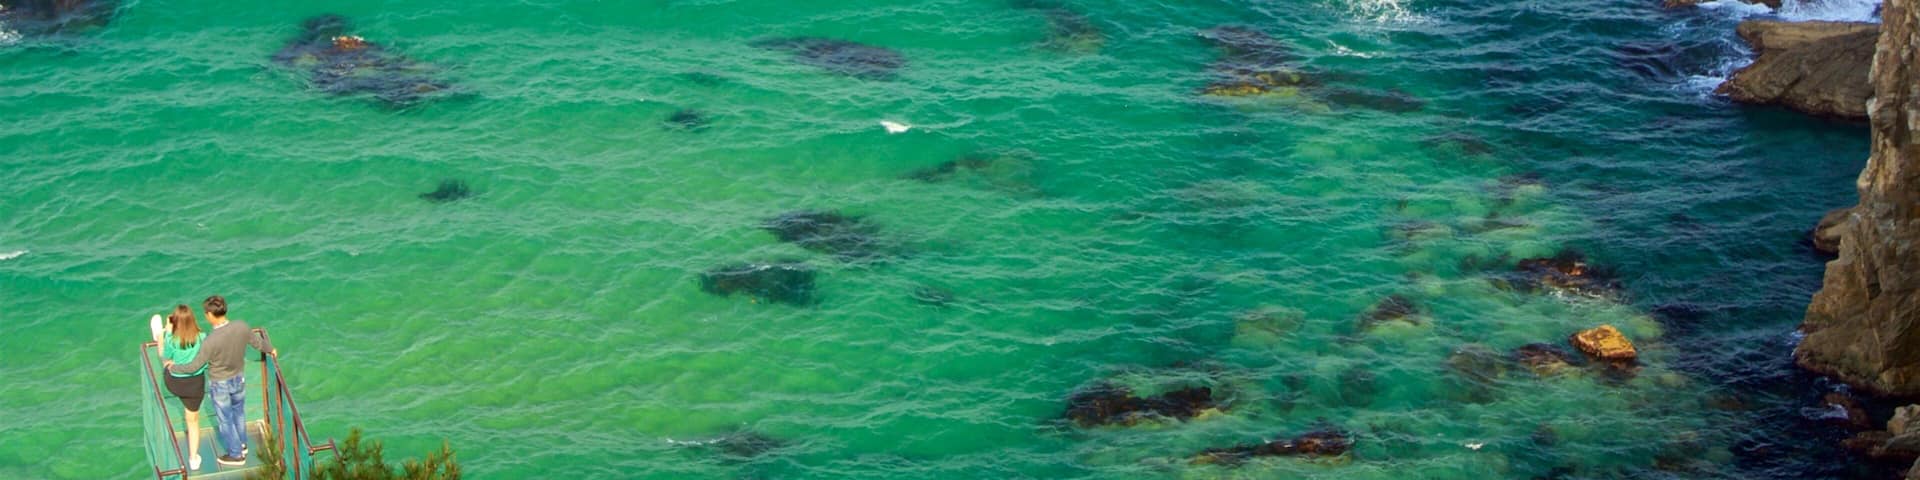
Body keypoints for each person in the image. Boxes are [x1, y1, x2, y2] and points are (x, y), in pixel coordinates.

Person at [165, 295, 275, 467]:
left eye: (205, 313)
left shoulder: (210, 341)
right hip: (239, 378)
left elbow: (194, 366)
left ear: (210, 314)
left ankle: (236, 454)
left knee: (225, 420)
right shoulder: (241, 326)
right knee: (239, 412)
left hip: (220, 384)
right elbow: (258, 343)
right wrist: (271, 349)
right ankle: (243, 444)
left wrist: (173, 368)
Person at [150, 305, 207, 470]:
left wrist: (167, 332)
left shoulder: (173, 340)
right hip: (195, 385)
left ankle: (158, 335)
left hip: (174, 382)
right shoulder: (201, 336)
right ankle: (193, 459)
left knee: (165, 359)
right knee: (193, 421)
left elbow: (165, 354)